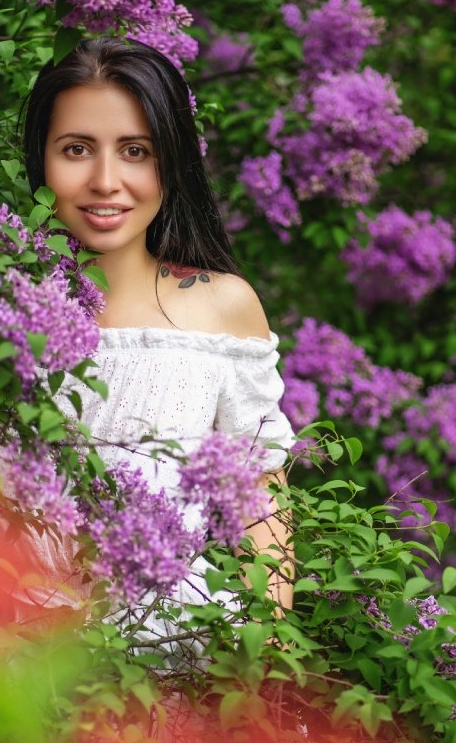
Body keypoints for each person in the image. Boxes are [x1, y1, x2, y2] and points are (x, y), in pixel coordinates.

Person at [19, 35, 296, 635]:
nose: (105, 180)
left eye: (135, 151)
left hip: (178, 674)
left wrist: (261, 666)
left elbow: (263, 511)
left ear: (170, 161)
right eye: (75, 149)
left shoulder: (223, 310)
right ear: (40, 158)